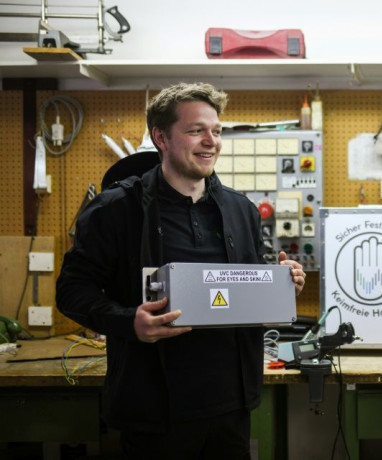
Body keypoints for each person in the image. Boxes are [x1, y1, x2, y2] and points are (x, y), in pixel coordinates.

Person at [56, 82, 306, 459]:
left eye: (217, 131)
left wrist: (283, 285)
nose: (211, 141)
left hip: (230, 404)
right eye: (195, 131)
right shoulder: (116, 210)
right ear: (161, 137)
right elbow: (71, 291)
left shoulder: (242, 211)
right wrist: (129, 322)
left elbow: (244, 293)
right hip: (154, 409)